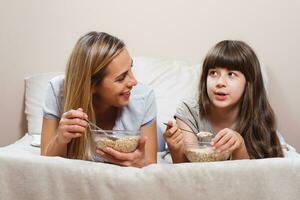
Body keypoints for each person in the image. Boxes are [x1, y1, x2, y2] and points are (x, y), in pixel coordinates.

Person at [41, 31, 157, 167]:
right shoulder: (57, 91)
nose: (134, 81)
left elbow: (150, 164)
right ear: (91, 85)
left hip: (149, 128)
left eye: (131, 68)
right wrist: (60, 139)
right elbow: (45, 160)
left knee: (161, 143)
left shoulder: (144, 96)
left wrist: (139, 162)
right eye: (121, 78)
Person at [163, 40, 284, 163]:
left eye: (231, 74)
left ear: (249, 83)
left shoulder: (258, 114)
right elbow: (187, 170)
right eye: (213, 73)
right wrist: (176, 149)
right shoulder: (189, 111)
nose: (220, 82)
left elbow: (252, 175)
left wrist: (239, 147)